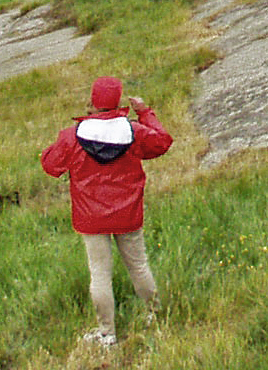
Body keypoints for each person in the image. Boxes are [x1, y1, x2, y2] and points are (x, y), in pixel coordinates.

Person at [41, 76, 173, 347]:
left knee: (99, 273)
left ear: (92, 101)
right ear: (118, 101)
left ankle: (107, 333)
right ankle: (155, 315)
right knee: (138, 265)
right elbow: (162, 142)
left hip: (90, 217)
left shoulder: (72, 136)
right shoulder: (133, 130)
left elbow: (50, 165)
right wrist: (146, 112)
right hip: (128, 213)